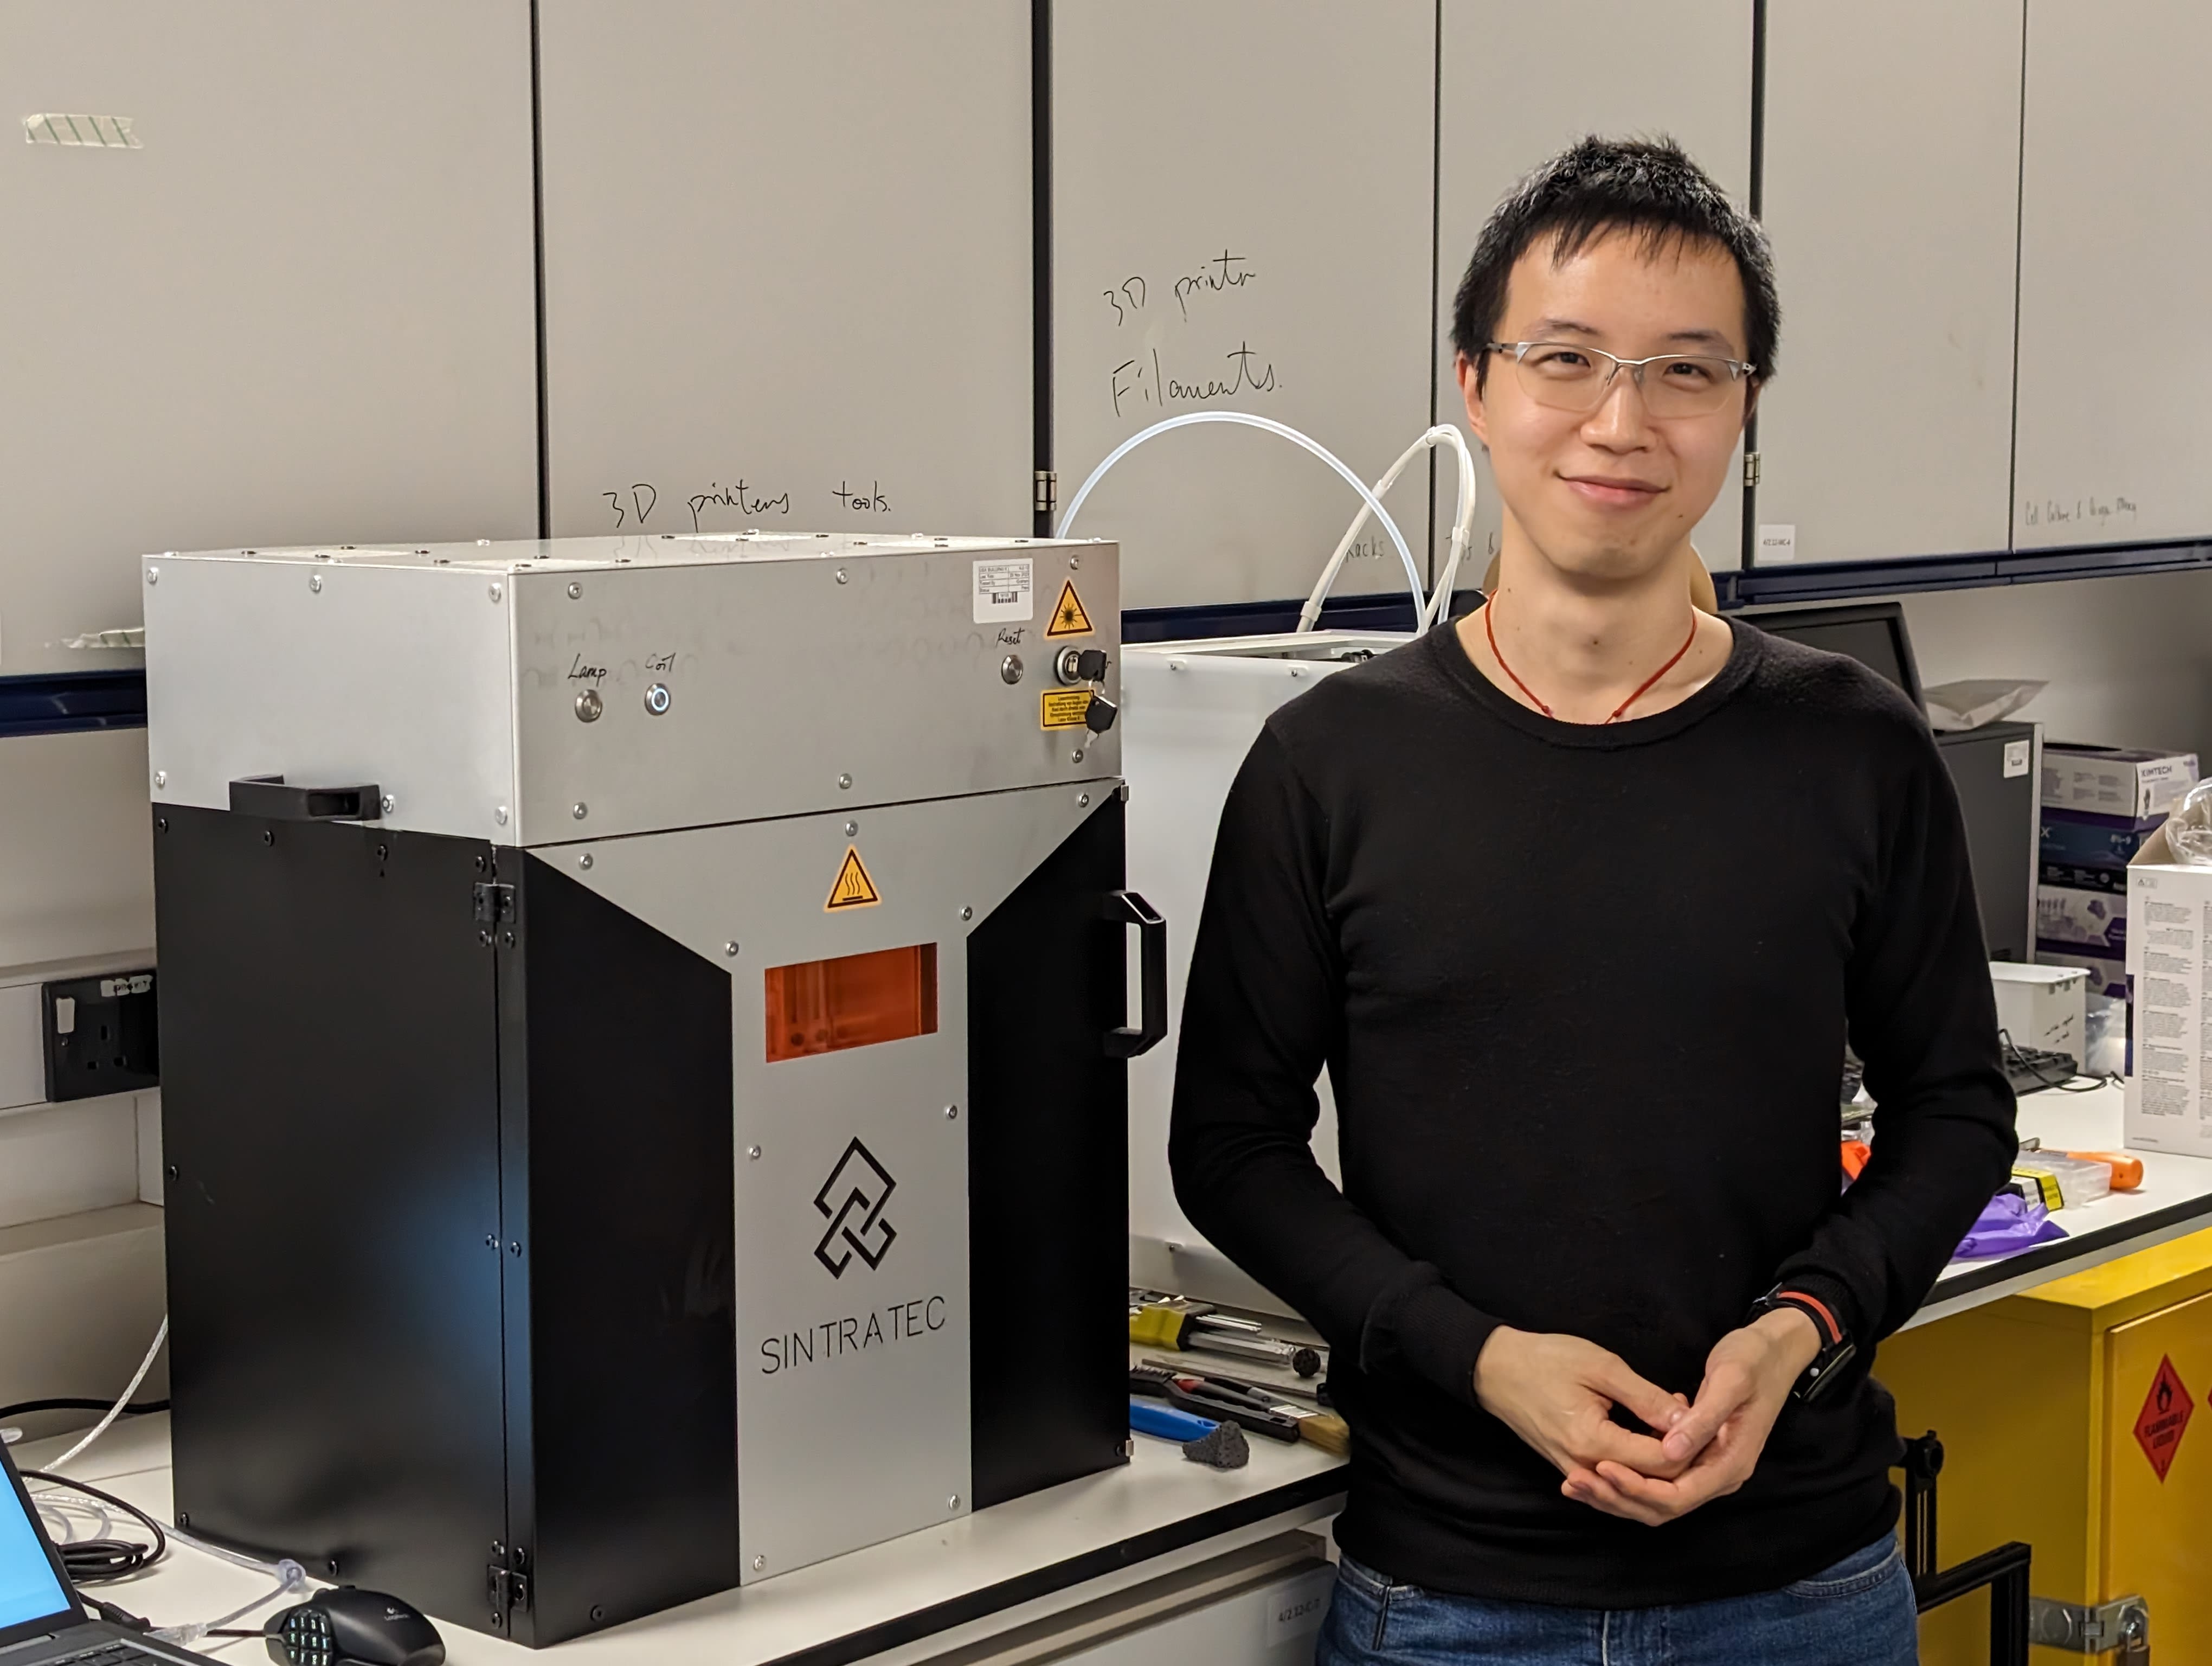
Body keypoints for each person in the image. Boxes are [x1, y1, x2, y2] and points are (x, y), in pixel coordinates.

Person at [1168, 135, 2015, 1664]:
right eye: (1566, 358)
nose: (1621, 422)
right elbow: (1229, 1148)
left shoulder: (1856, 750)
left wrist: (1798, 1333)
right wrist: (1476, 1355)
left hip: (1803, 1587)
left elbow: (1955, 1108)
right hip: (1447, 1598)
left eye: (1687, 371)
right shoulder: (1328, 765)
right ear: (1474, 384)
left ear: (1744, 410)